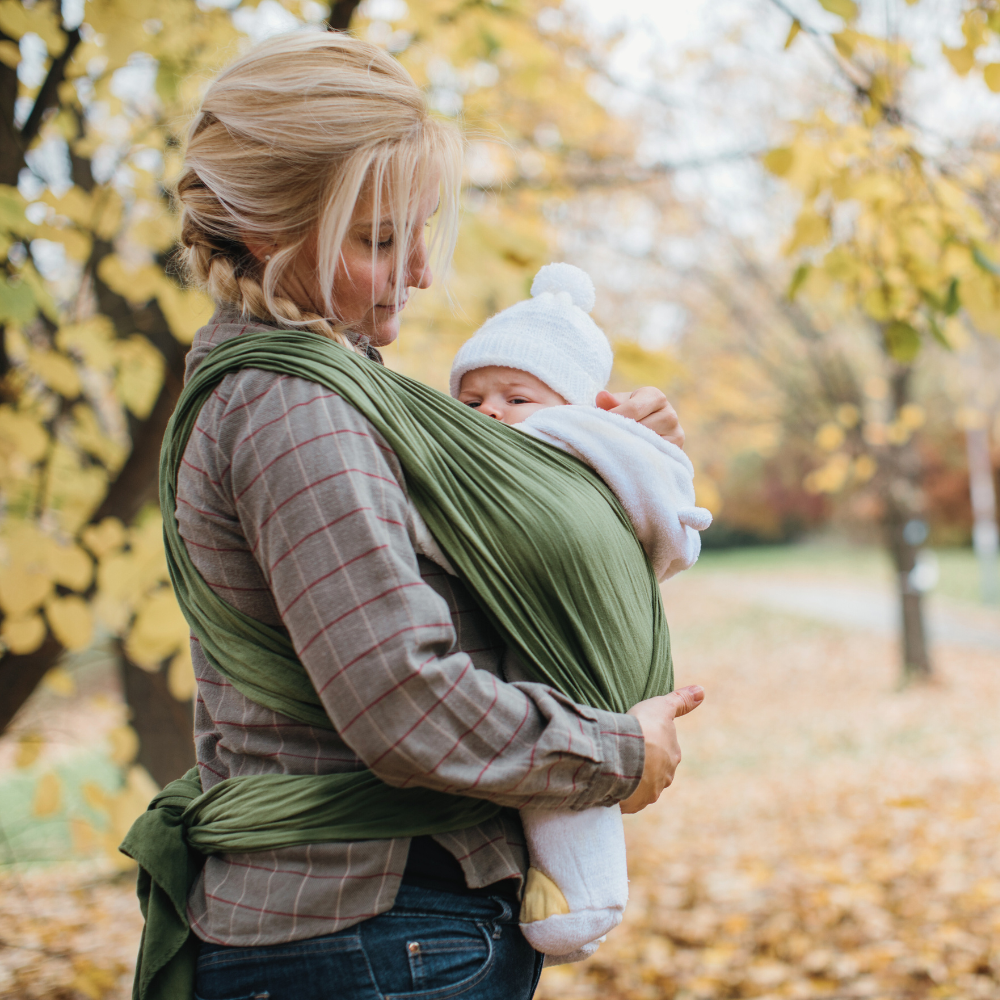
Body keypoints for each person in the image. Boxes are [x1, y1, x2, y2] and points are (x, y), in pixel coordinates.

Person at [151, 30, 703, 1000]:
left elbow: (486, 560)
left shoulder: (315, 390)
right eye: (377, 240)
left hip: (371, 937)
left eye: (419, 229)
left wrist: (601, 459)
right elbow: (400, 698)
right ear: (272, 231)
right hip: (367, 933)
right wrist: (616, 752)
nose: (419, 271)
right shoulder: (295, 410)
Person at [449, 261, 713, 962]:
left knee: (564, 755)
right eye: (471, 400)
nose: (492, 414)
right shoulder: (480, 460)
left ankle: (583, 900)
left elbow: (657, 521)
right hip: (542, 646)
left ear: (575, 407)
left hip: (572, 647)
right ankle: (571, 897)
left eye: (516, 396)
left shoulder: (572, 449)